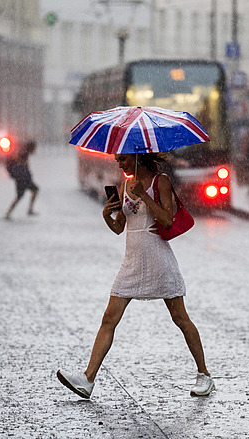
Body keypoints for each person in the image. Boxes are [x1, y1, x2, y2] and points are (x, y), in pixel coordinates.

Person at [57, 153, 214, 399]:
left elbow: (167, 220)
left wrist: (143, 196)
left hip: (158, 260)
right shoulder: (124, 185)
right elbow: (120, 227)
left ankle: (204, 375)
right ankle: (88, 380)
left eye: (123, 159)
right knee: (109, 317)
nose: (119, 163)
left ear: (138, 157)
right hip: (132, 262)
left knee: (180, 318)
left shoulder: (159, 182)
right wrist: (106, 215)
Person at [4, 140, 39, 220]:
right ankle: (28, 210)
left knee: (21, 195)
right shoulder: (24, 152)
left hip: (21, 177)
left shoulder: (23, 151)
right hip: (22, 178)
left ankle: (9, 212)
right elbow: (16, 157)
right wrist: (23, 163)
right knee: (25, 194)